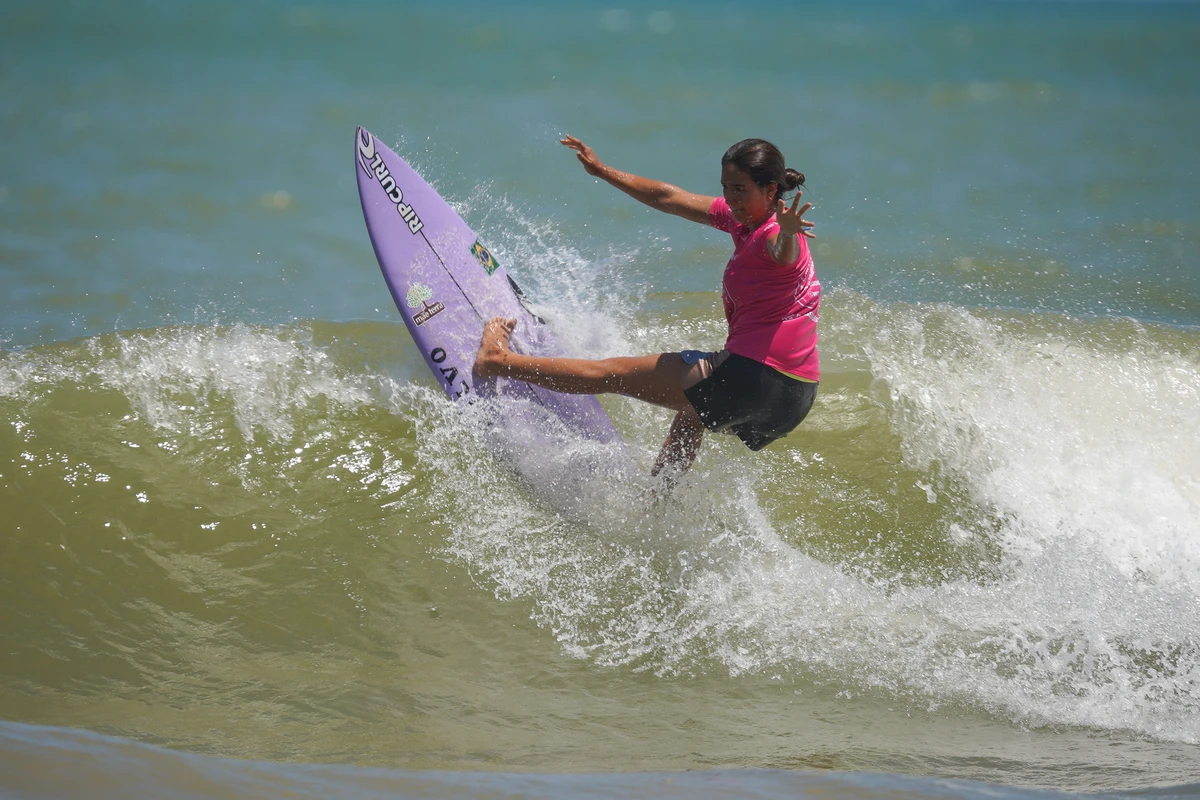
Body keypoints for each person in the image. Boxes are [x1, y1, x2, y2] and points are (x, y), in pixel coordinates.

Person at [474, 135, 820, 482]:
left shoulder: (778, 235)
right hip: (793, 401)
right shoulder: (742, 221)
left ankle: (497, 361)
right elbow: (669, 197)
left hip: (752, 379)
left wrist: (789, 234)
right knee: (692, 413)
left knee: (610, 373)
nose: (730, 199)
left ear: (772, 191)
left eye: (740, 190)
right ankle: (658, 506)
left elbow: (783, 253)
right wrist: (603, 171)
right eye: (726, 188)